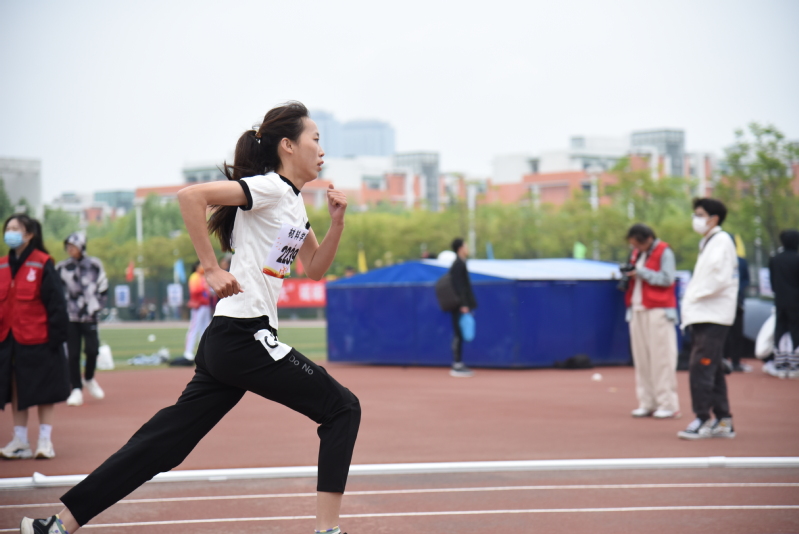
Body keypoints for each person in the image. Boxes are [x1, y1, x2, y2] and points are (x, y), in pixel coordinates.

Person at [20, 102, 360, 534]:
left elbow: (315, 269)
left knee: (165, 443)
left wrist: (337, 224)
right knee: (342, 407)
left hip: (230, 341)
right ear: (288, 146)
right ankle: (328, 530)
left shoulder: (292, 203)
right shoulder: (270, 188)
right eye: (315, 138)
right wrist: (211, 268)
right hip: (243, 335)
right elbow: (190, 197)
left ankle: (57, 526)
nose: (322, 149)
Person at [0, 214, 69, 461]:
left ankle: (44, 440)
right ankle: (20, 440)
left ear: (29, 234)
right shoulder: (2, 265)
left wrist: (57, 338)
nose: (10, 232)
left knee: (44, 389)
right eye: (8, 228)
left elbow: (57, 304)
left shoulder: (42, 263)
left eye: (15, 228)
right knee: (16, 387)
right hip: (9, 339)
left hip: (39, 338)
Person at [678, 198, 738, 440]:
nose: (696, 219)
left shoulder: (721, 241)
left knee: (700, 366)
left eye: (700, 214)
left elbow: (719, 278)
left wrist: (693, 296)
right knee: (712, 367)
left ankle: (702, 418)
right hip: (704, 314)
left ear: (714, 218)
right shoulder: (709, 241)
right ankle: (723, 419)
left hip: (712, 314)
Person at [624, 224, 680, 419]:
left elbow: (668, 279)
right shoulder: (636, 254)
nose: (635, 248)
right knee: (642, 360)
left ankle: (668, 403)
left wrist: (641, 273)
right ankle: (647, 402)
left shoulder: (665, 251)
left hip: (659, 309)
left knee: (661, 359)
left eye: (637, 244)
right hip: (637, 308)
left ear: (648, 239)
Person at [56, 233, 108, 407]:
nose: (70, 249)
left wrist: (97, 307)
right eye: (68, 246)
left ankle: (89, 378)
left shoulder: (94, 265)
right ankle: (76, 388)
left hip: (89, 316)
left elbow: (103, 286)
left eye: (73, 246)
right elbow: (56, 291)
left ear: (82, 246)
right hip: (70, 317)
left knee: (93, 350)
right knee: (72, 354)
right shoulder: (61, 267)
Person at [769, 229, 799, 378]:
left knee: (780, 329)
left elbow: (772, 283)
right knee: (795, 329)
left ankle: (780, 362)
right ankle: (795, 363)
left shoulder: (775, 259)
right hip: (796, 301)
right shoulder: (797, 259)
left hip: (779, 300)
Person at [170, 261, 212, 366]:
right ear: (196, 267)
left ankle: (204, 352)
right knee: (194, 328)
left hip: (205, 305)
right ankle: (188, 352)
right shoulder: (194, 277)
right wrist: (205, 287)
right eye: (201, 265)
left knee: (205, 329)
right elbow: (194, 290)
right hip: (198, 306)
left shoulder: (203, 277)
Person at [449, 237, 477, 377]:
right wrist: (463, 304)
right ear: (460, 248)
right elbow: (459, 286)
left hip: (461, 305)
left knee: (460, 334)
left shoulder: (461, 262)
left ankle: (458, 363)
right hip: (459, 306)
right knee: (458, 334)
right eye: (465, 245)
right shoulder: (458, 264)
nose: (467, 248)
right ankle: (457, 365)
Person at [724, 249, 752, 373]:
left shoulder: (741, 262)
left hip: (737, 302)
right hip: (723, 303)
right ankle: (723, 360)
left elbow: (746, 279)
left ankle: (736, 362)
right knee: (723, 333)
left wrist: (737, 290)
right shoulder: (720, 261)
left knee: (737, 333)